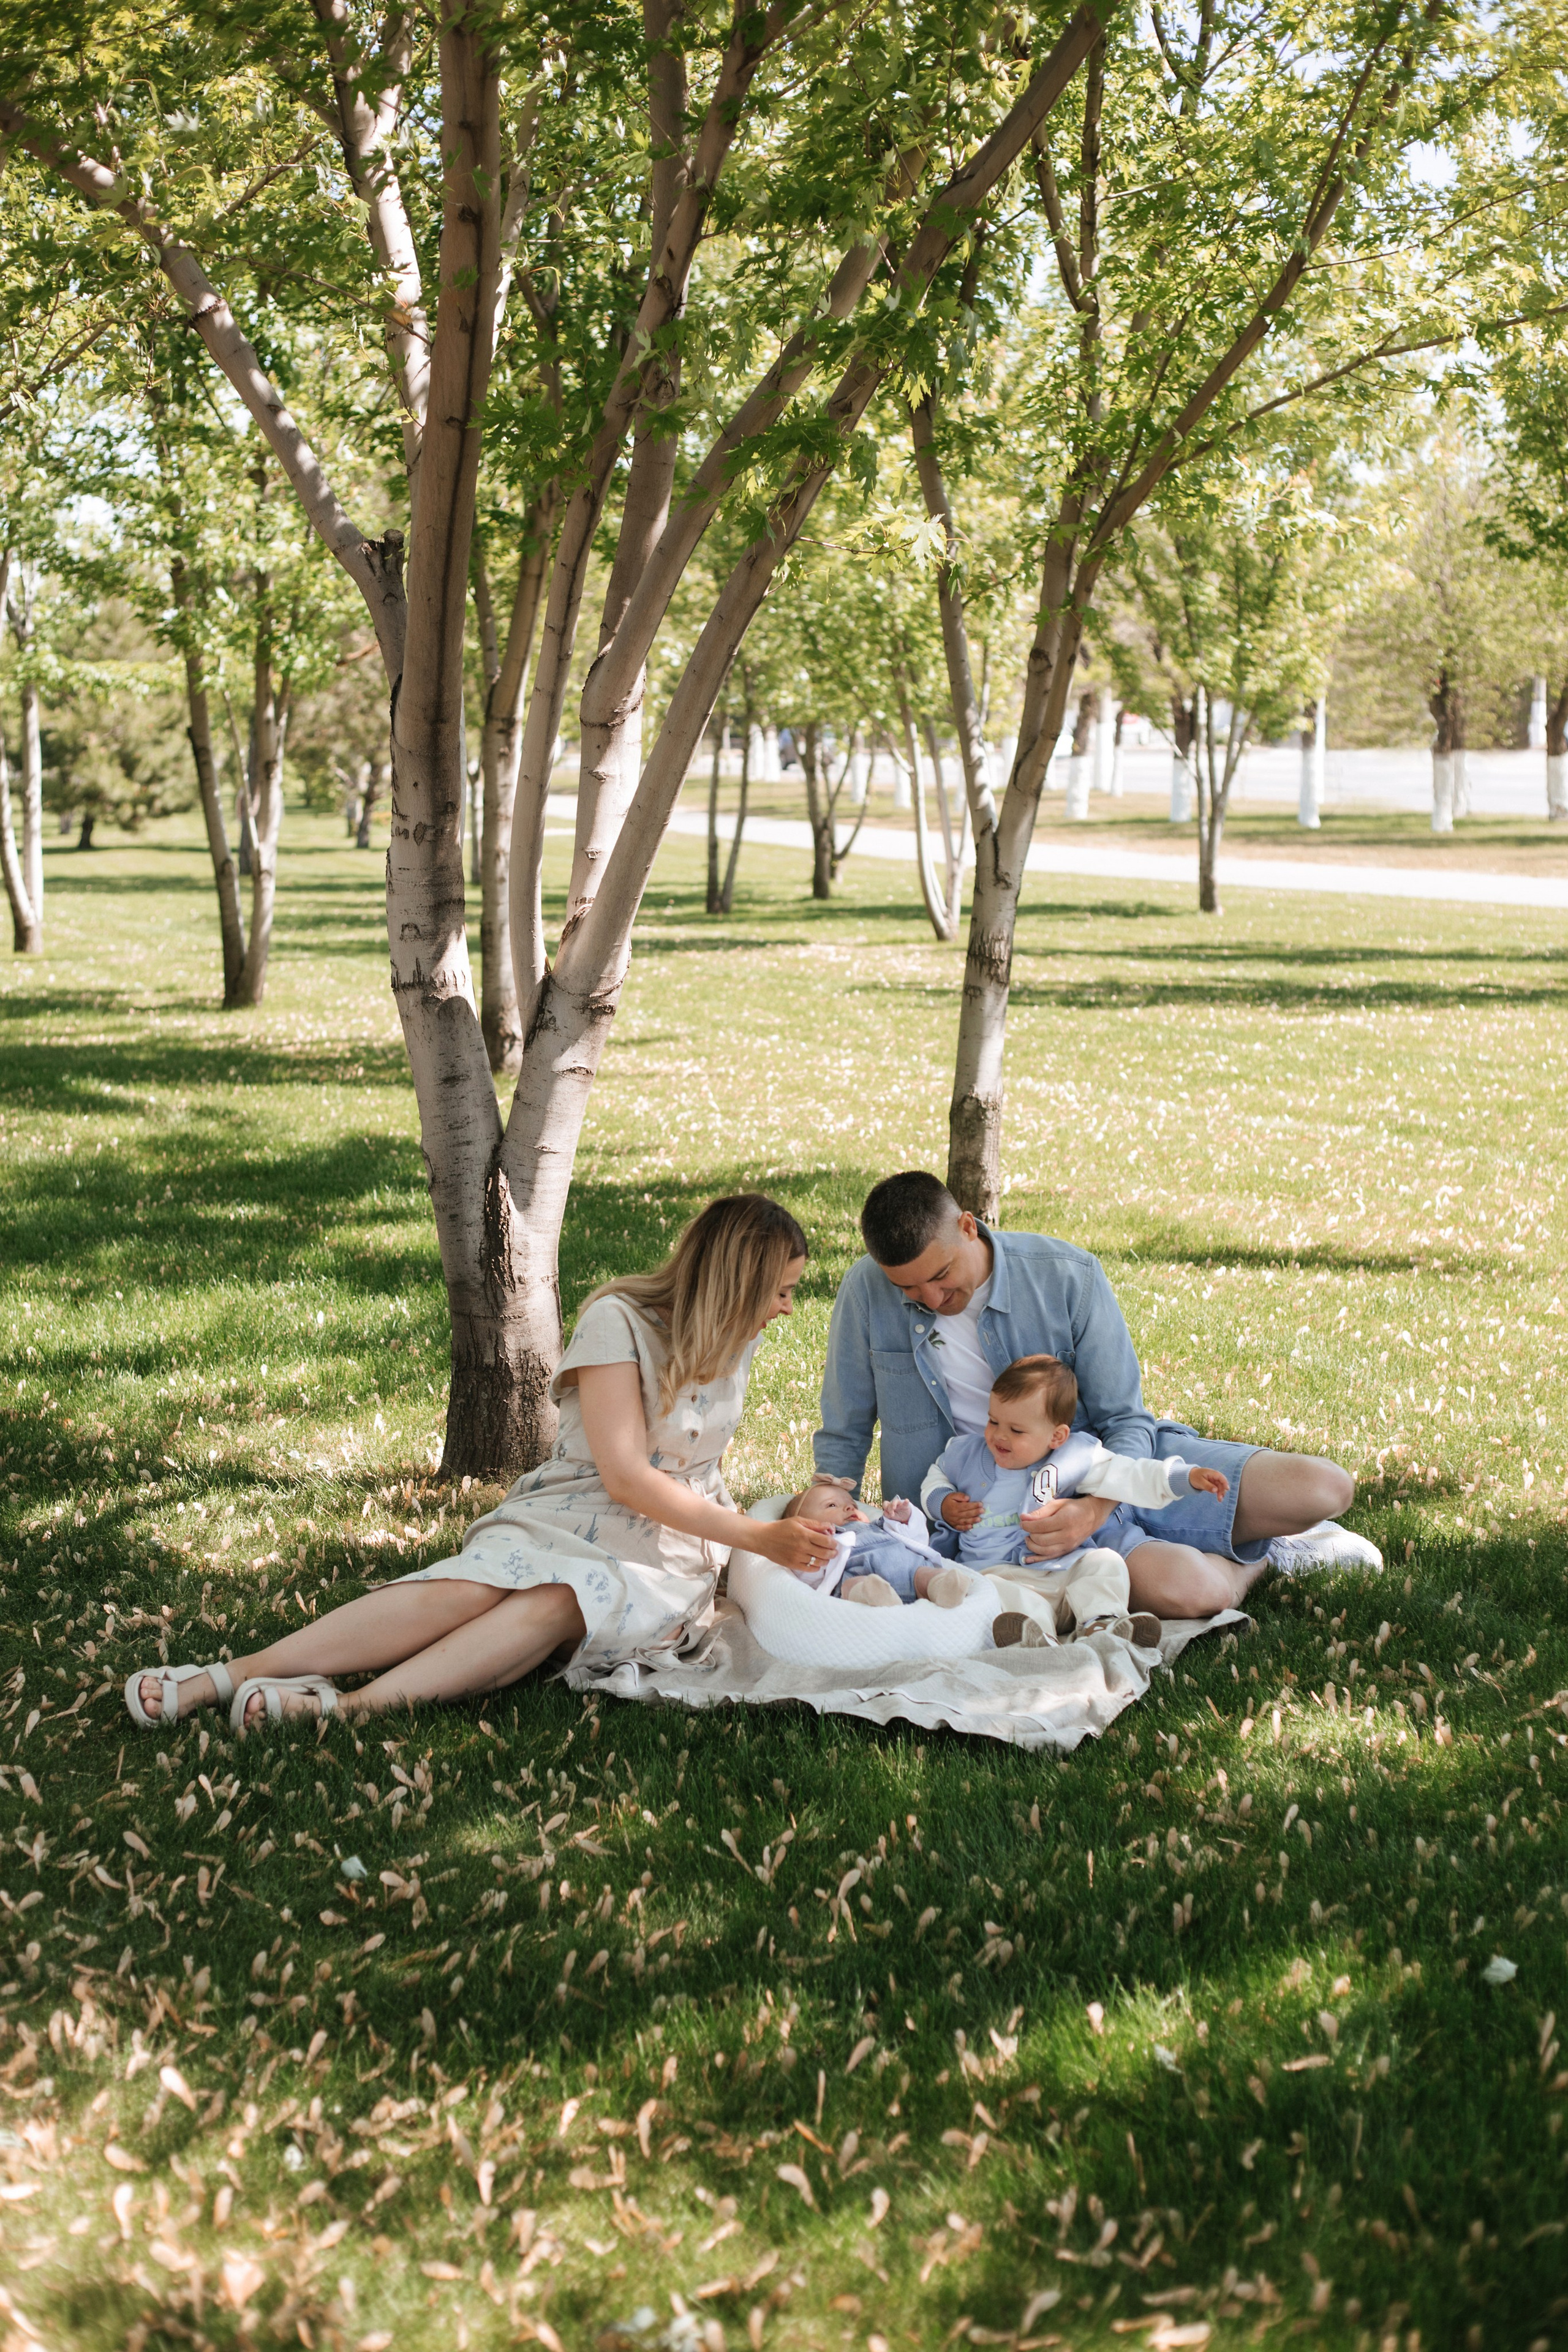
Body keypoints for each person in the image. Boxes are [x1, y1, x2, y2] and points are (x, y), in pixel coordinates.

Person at [125, 1195, 839, 1734]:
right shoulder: (617, 1321)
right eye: (779, 1290)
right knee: (476, 1586)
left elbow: (690, 1466)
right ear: (734, 1283)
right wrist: (753, 1536)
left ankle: (347, 1708)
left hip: (663, 1551)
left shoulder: (737, 1338)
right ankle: (228, 1676)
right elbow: (623, 1475)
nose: (784, 1309)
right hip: (580, 1506)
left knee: (560, 1600)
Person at [814, 1169, 1378, 1620]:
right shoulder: (866, 1289)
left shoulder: (1068, 1275)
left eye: (941, 1276)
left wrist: (1096, 1507)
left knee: (1323, 1488)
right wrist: (828, 1517)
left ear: (967, 1227)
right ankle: (1264, 1552)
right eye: (908, 1287)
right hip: (994, 1525)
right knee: (1192, 1594)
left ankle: (1270, 1533)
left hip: (1108, 1467)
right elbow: (845, 1428)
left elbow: (1124, 1419)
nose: (931, 1297)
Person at [922, 1352, 1229, 1629]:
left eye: (1016, 1430)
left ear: (1057, 1436)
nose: (999, 1436)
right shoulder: (967, 1455)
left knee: (1105, 1563)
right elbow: (937, 1473)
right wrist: (941, 1502)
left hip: (1062, 1573)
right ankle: (1034, 1636)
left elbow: (1130, 1474)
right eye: (993, 1421)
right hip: (998, 1577)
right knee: (993, 1591)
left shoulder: (1072, 1458)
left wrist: (1184, 1477)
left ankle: (1101, 1621)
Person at [778, 1479, 979, 1610]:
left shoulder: (883, 1526)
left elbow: (917, 1539)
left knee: (925, 1574)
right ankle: (872, 1598)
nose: (849, 1507)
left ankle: (944, 1587)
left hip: (911, 1572)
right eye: (832, 1505)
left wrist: (904, 1519)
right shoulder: (828, 1541)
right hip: (860, 1576)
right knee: (853, 1586)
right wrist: (813, 1541)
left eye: (852, 1504)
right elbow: (806, 1573)